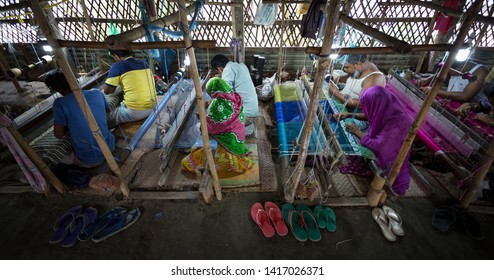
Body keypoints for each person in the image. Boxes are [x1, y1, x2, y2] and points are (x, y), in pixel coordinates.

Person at [345, 85, 413, 196]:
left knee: (350, 162)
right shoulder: (389, 108)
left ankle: (388, 188)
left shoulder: (397, 122)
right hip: (388, 160)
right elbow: (372, 115)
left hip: (392, 172)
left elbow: (380, 147)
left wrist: (358, 132)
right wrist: (350, 115)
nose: (367, 109)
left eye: (368, 105)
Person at [181, 77, 253, 175]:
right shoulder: (233, 96)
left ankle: (222, 162)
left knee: (188, 162)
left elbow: (212, 126)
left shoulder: (217, 105)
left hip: (229, 142)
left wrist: (201, 117)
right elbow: (224, 114)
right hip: (237, 139)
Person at [45, 69, 115, 168]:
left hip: (91, 160)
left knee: (53, 160)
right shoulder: (97, 92)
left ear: (58, 90)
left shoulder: (60, 103)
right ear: (77, 81)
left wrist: (71, 124)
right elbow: (107, 110)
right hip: (110, 147)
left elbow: (58, 134)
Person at [103, 49, 157, 128]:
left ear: (117, 56)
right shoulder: (144, 63)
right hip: (153, 107)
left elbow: (107, 91)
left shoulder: (117, 65)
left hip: (135, 112)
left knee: (105, 120)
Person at [418, 60, 489, 103]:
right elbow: (442, 74)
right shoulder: (455, 66)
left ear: (460, 68)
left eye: (450, 71)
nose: (448, 73)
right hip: (453, 101)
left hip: (473, 109)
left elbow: (464, 96)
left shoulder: (481, 71)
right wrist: (426, 80)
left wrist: (434, 91)